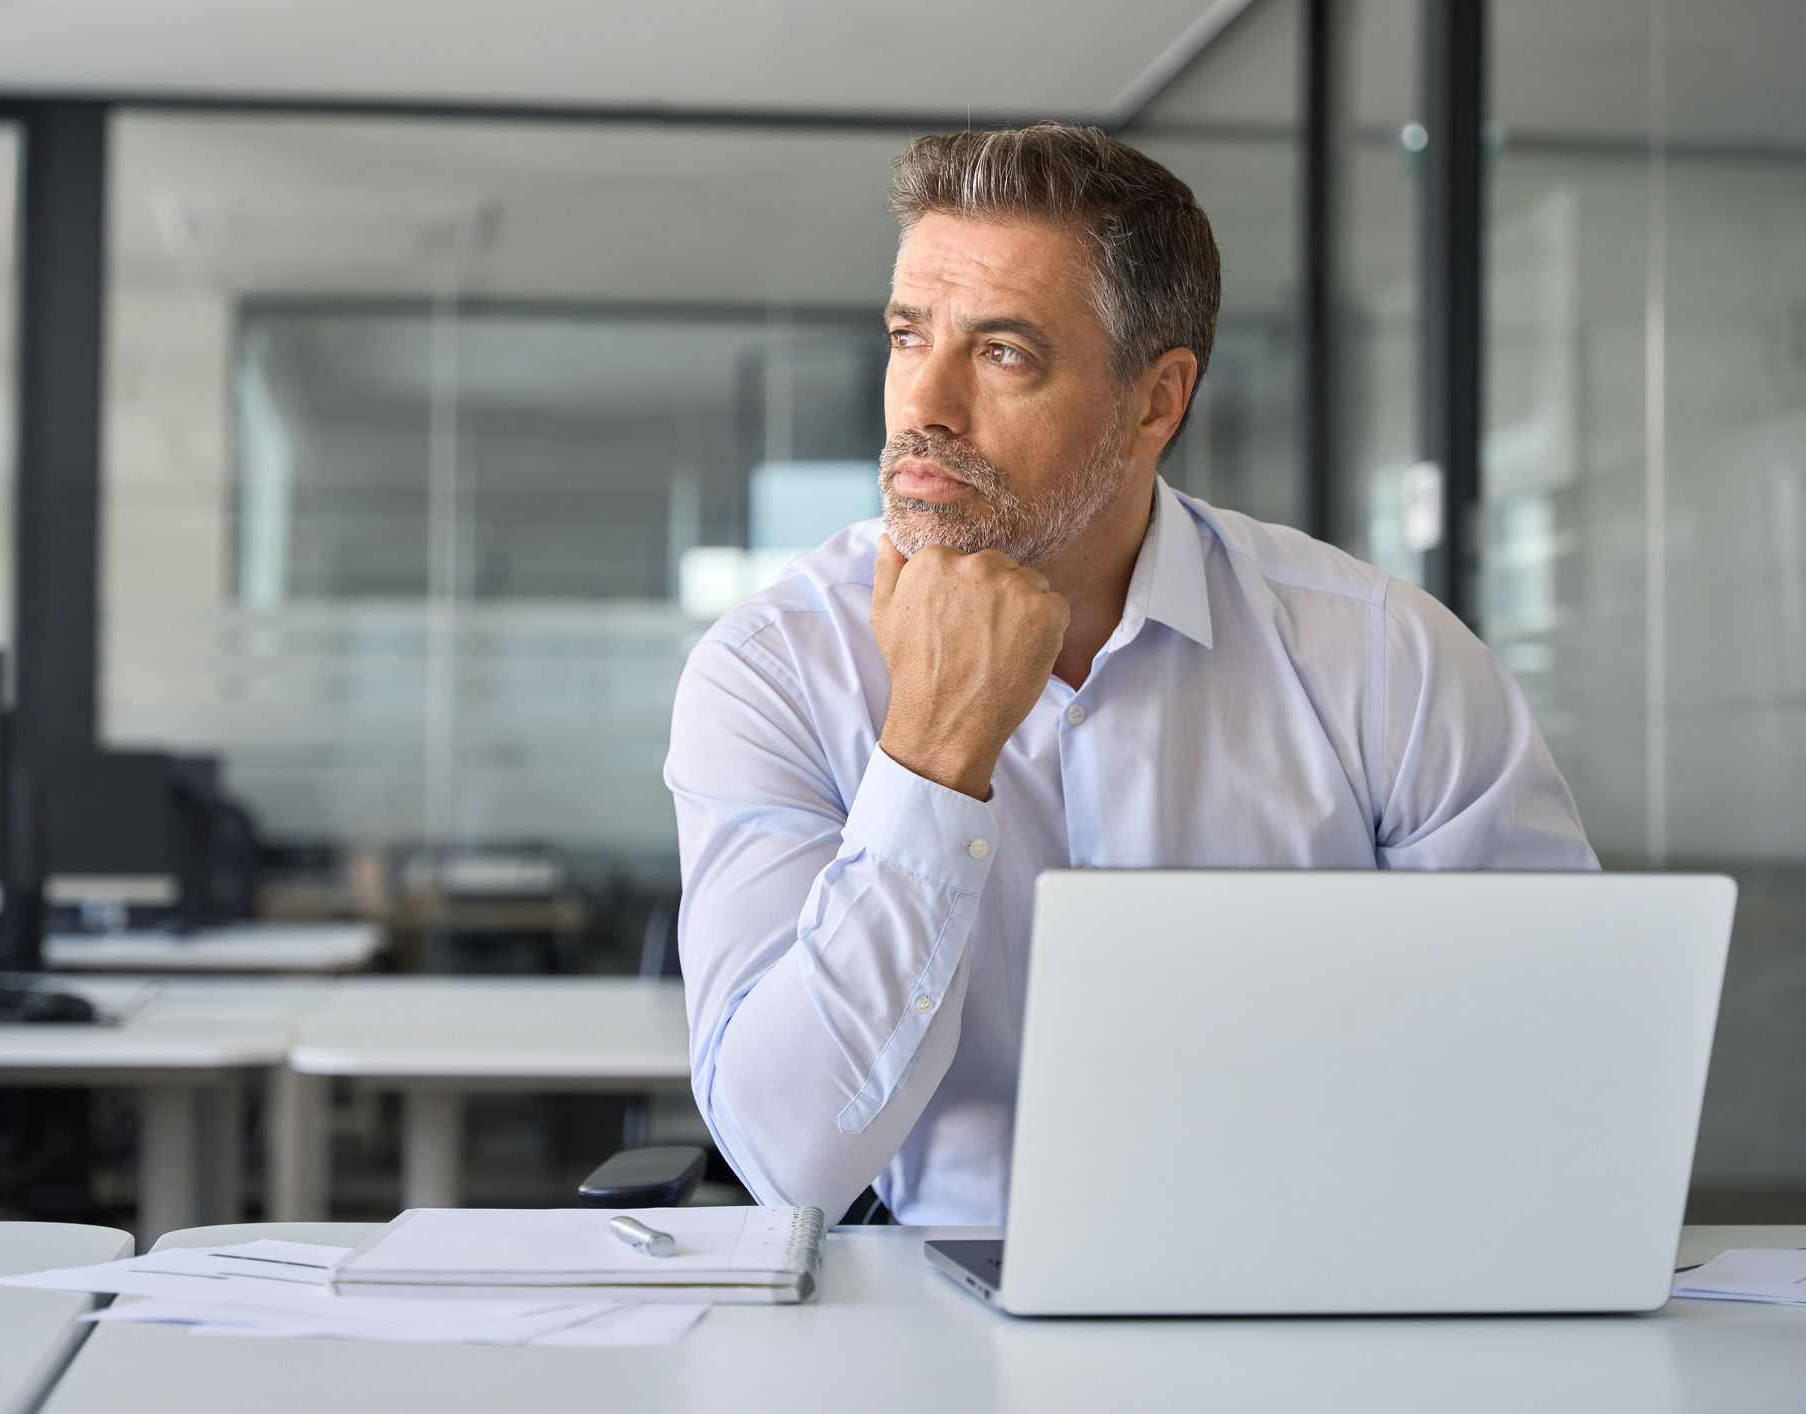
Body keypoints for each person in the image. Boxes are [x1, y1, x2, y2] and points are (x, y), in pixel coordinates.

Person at [664, 123, 1596, 1226]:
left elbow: (1562, 1061)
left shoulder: (1384, 657)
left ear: (1157, 401)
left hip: (1319, 1281)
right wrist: (934, 754)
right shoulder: (772, 669)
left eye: (1003, 352)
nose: (927, 405)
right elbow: (789, 1157)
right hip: (933, 1308)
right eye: (910, 336)